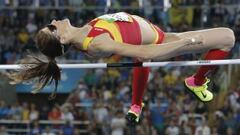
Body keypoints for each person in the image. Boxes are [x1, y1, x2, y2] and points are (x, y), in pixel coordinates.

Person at [9, 12, 235, 124]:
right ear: (62, 40)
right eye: (52, 27)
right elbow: (145, 55)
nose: (54, 20)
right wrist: (185, 44)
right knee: (227, 37)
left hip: (159, 33)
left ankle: (187, 85)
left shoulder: (86, 29)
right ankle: (196, 82)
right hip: (164, 42)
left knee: (226, 36)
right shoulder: (95, 43)